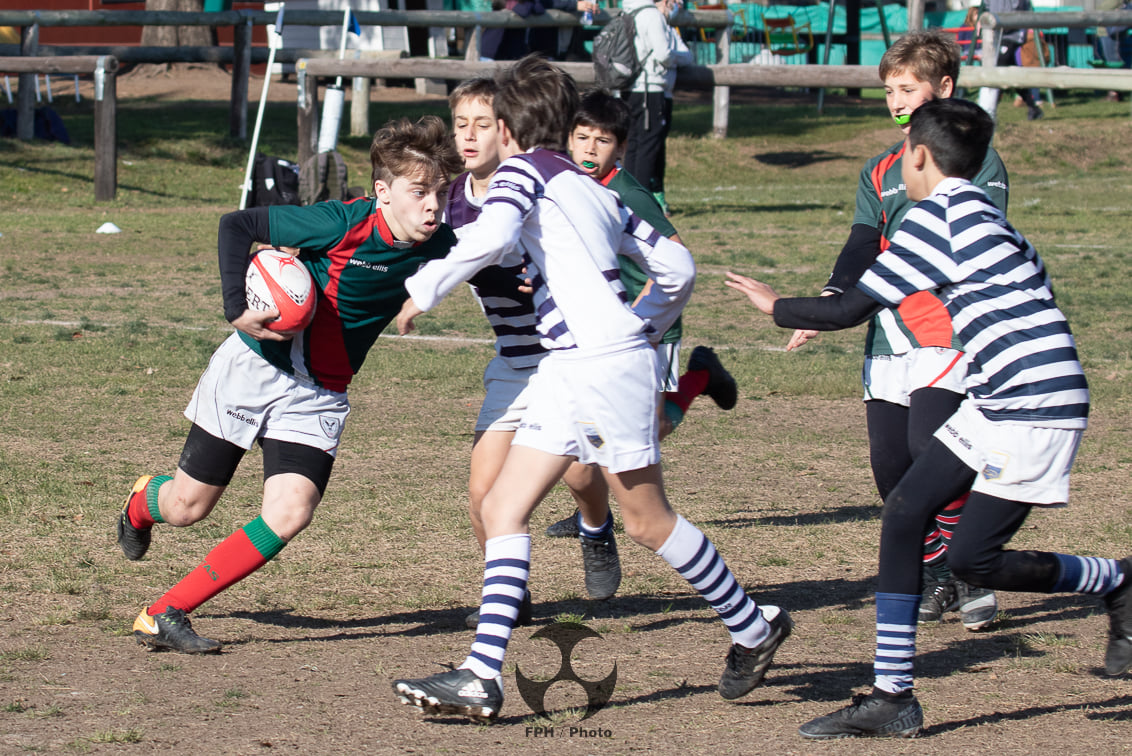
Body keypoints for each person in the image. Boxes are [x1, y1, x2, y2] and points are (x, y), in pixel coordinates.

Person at [391, 55, 791, 722]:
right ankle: (480, 676)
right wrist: (644, 324)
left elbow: (491, 234)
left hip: (599, 366)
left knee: (646, 520)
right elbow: (676, 264)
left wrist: (423, 289)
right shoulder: (591, 187)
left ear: (512, 128)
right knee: (502, 509)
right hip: (572, 366)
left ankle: (753, 624)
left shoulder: (522, 172)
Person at [728, 96, 1132, 740]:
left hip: (1030, 401)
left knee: (976, 561)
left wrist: (776, 305)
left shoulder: (930, 218)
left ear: (916, 155)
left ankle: (1116, 581)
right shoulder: (992, 219)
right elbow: (1038, 290)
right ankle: (893, 696)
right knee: (908, 511)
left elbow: (849, 311)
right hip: (1001, 393)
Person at [115, 116, 462, 654]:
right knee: (187, 508)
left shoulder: (441, 242)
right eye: (419, 192)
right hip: (255, 369)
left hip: (320, 392)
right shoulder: (340, 223)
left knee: (290, 512)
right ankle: (142, 502)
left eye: (441, 193)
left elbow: (496, 264)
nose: (433, 206)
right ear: (383, 192)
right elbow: (237, 225)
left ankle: (165, 611)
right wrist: (236, 309)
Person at [789, 30, 1007, 631]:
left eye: (907, 88)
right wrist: (833, 297)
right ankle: (939, 571)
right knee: (889, 466)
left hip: (947, 328)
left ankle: (969, 568)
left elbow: (970, 239)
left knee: (928, 448)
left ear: (943, 89)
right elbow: (863, 239)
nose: (896, 100)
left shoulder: (976, 160)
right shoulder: (878, 169)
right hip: (888, 332)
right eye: (889, 90)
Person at [446, 76, 623, 621]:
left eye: (482, 124)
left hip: (562, 359)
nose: (470, 136)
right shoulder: (452, 199)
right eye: (461, 125)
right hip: (513, 363)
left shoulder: (536, 188)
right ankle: (511, 597)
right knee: (482, 493)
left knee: (579, 475)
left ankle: (596, 526)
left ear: (507, 129)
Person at [545, 88, 738, 540]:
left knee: (652, 426)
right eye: (582, 137)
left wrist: (642, 318)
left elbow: (676, 256)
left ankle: (701, 378)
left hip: (648, 325)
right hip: (602, 331)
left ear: (623, 147)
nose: (591, 149)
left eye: (603, 141)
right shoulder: (571, 185)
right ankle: (591, 511)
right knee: (595, 423)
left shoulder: (629, 193)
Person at [621, 0, 694, 216]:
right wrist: (676, 58)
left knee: (633, 145)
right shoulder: (651, 15)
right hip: (649, 89)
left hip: (631, 88)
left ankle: (628, 199)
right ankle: (640, 205)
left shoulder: (630, 11)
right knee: (647, 147)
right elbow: (663, 54)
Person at [976, 0, 1044, 121]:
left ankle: (989, 110)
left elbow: (1018, 8)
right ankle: (1033, 107)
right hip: (996, 32)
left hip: (1012, 33)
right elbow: (987, 6)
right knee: (1010, 72)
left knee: (1000, 68)